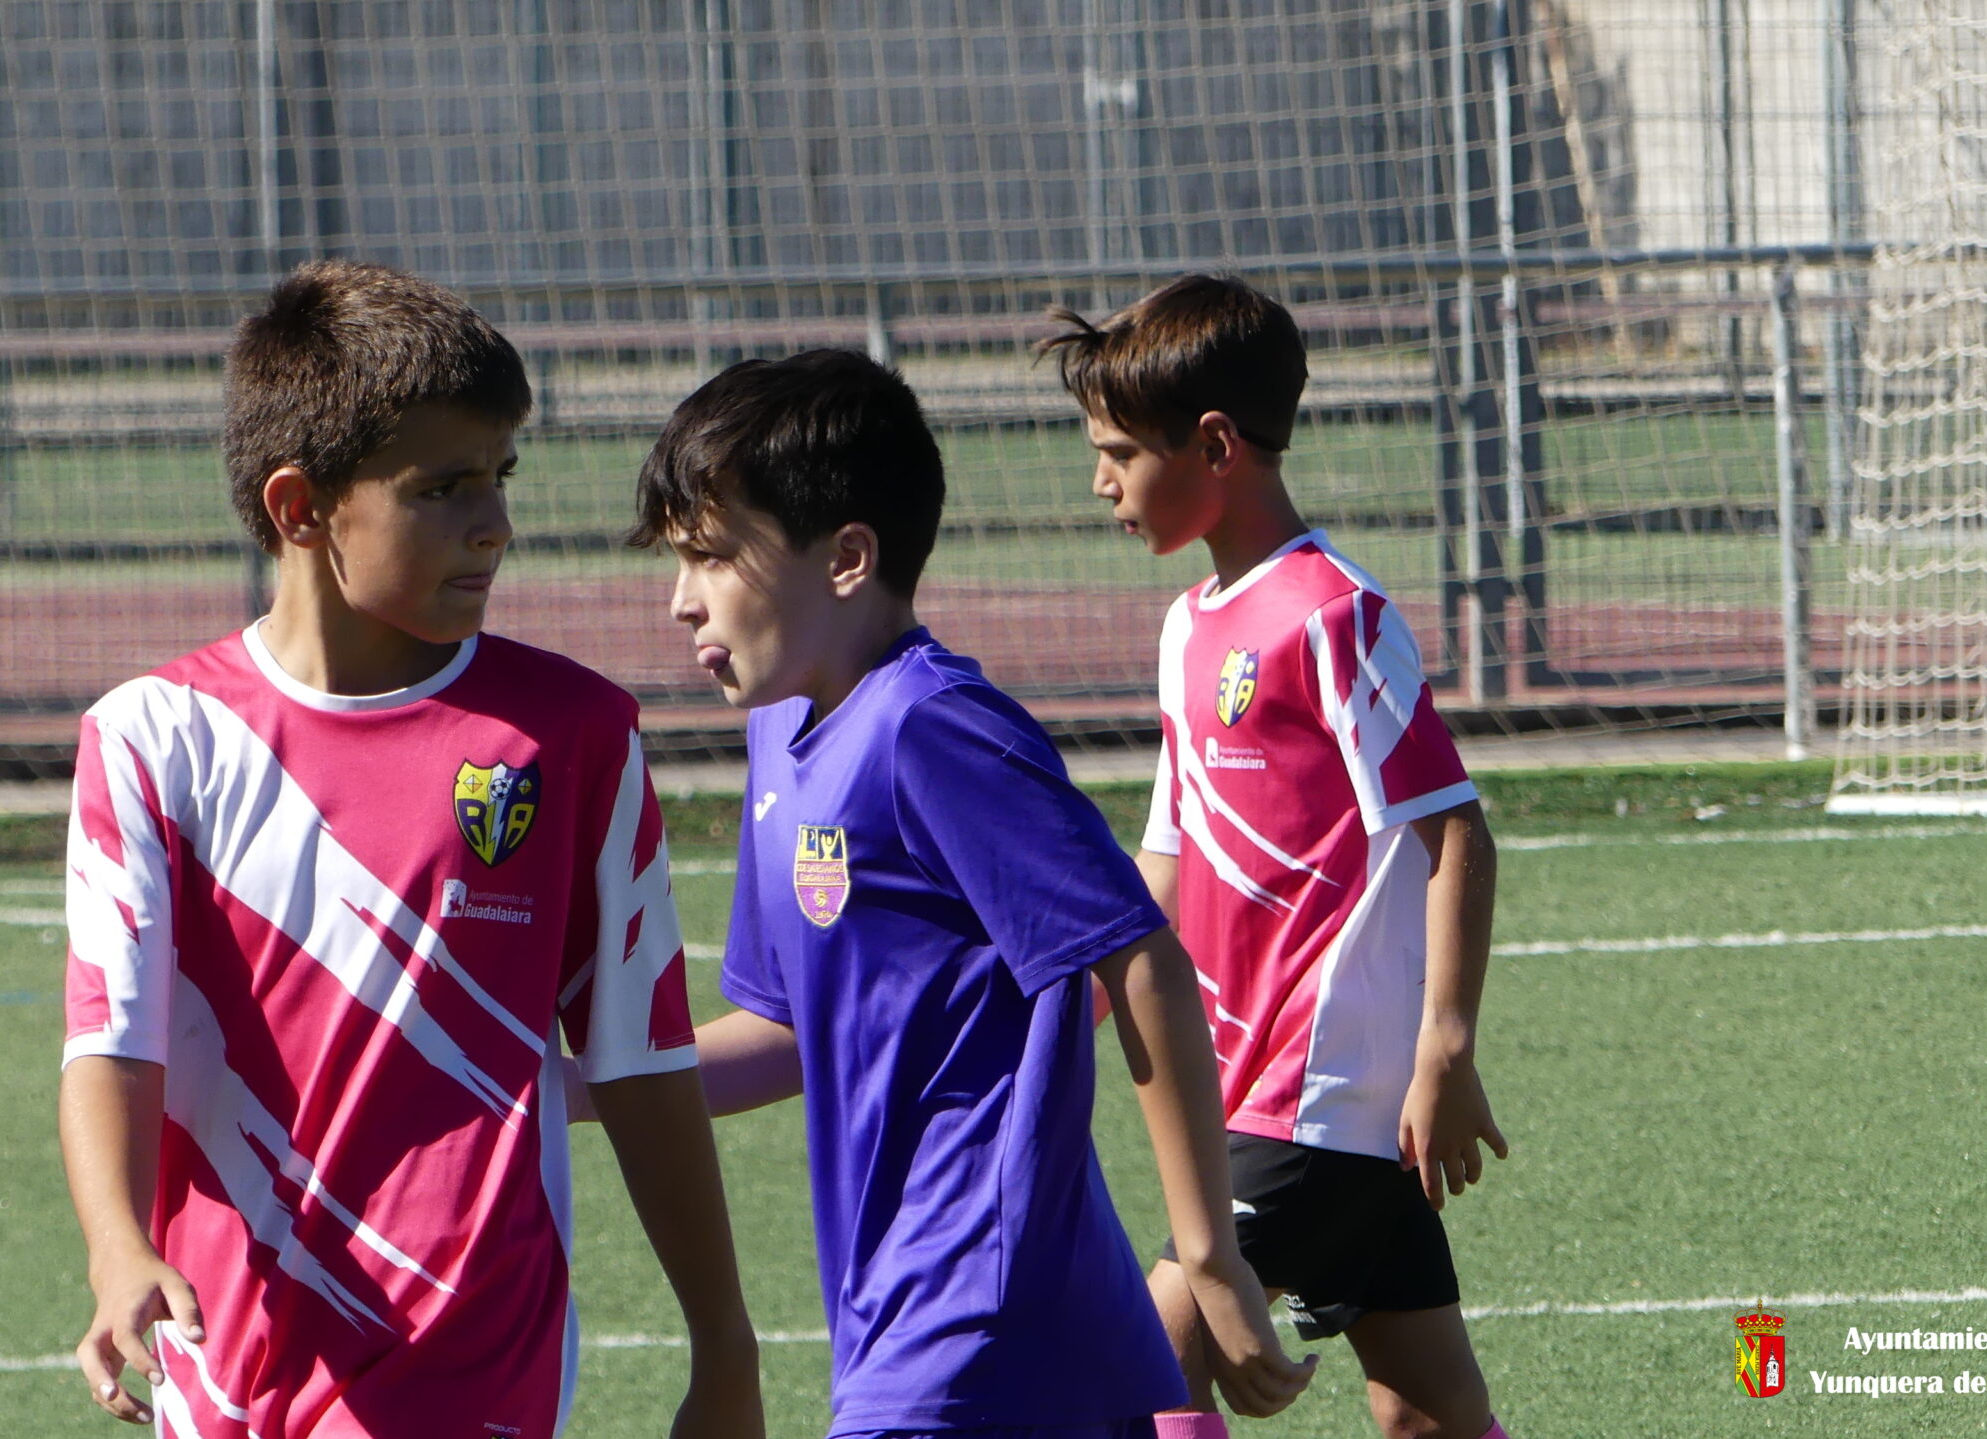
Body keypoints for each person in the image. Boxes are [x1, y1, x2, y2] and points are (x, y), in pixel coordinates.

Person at [58, 259, 761, 1439]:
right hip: (225, 1355)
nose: (495, 522)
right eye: (442, 487)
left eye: (500, 476)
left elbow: (641, 1056)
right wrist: (116, 1245)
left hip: (475, 1353)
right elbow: (110, 1037)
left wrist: (722, 1338)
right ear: (301, 508)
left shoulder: (571, 734)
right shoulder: (153, 738)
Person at [623, 348, 1313, 1439]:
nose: (680, 600)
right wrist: (572, 1080)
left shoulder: (930, 724)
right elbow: (789, 1029)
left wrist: (1209, 1257)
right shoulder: (779, 730)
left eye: (710, 556)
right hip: (924, 1308)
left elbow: (1140, 959)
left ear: (848, 557)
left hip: (974, 1304)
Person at [1042, 274, 1512, 1439]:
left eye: (1118, 452)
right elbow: (1167, 864)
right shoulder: (1186, 626)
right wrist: (1055, 1011)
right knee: (1427, 1414)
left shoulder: (1332, 613)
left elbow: (1454, 827)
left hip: (1310, 1094)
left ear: (1213, 445)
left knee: (1147, 1362)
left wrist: (1446, 1043)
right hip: (1248, 1086)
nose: (1100, 480)